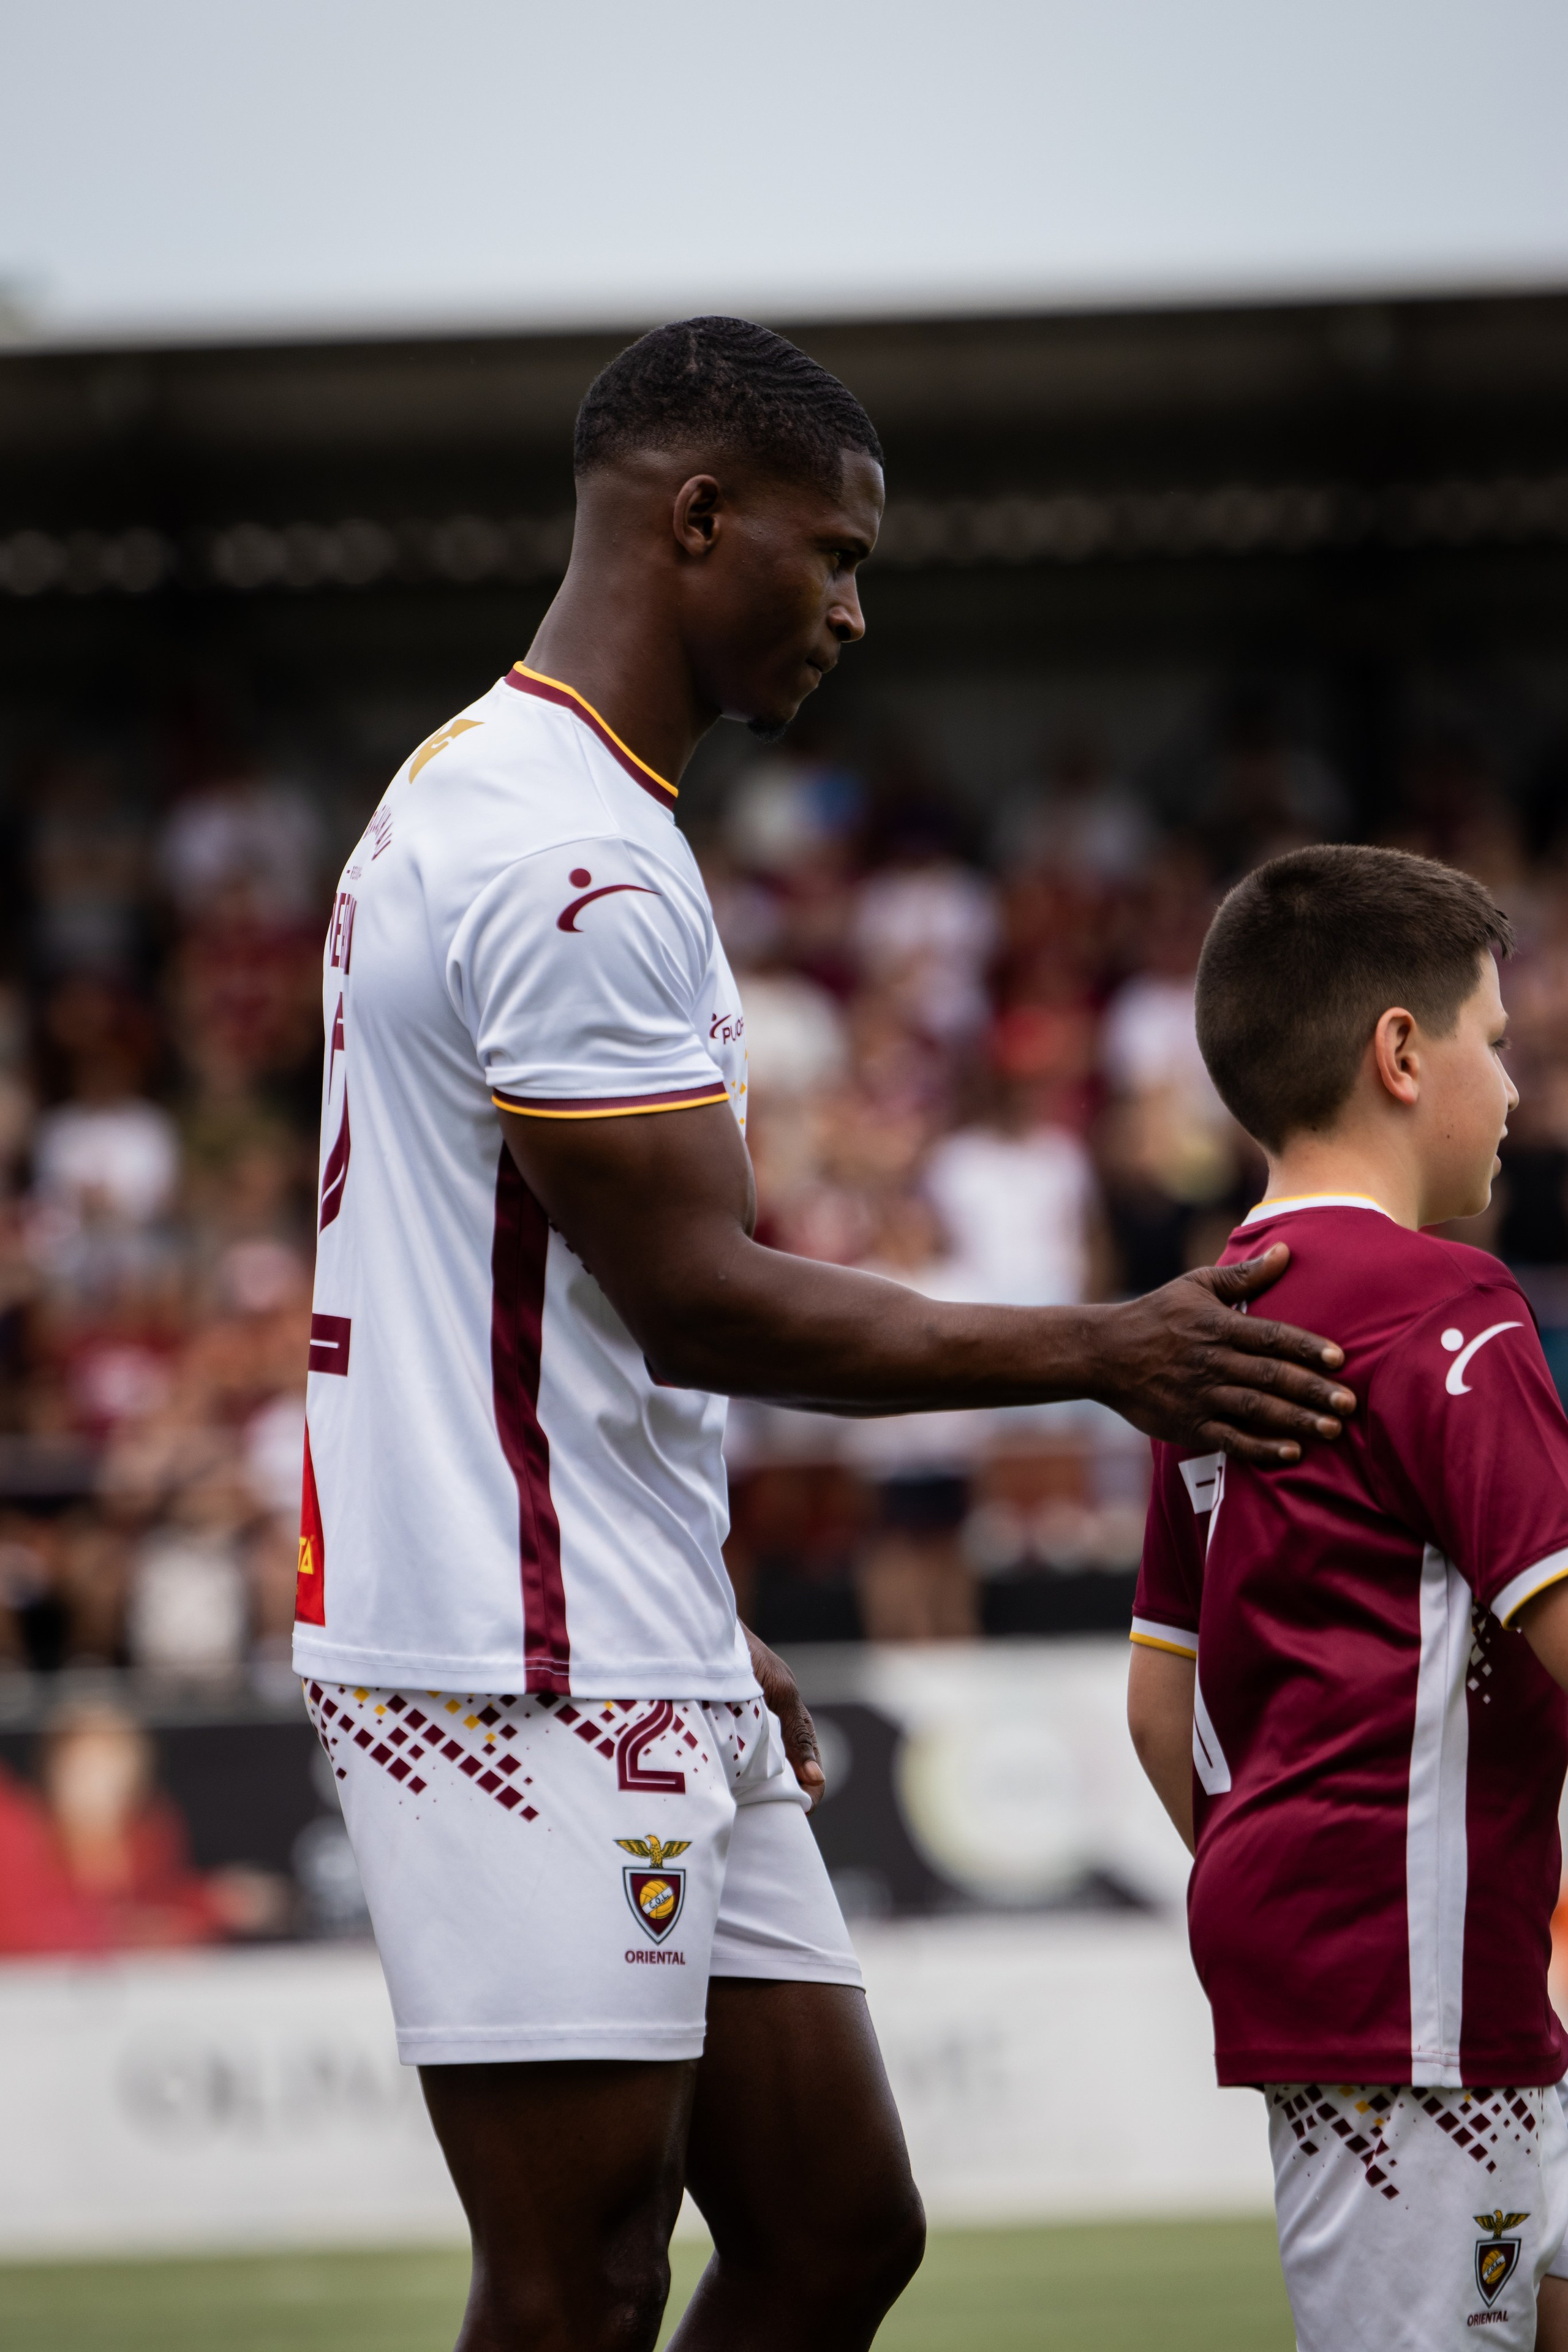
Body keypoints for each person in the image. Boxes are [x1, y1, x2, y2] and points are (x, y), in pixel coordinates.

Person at [295, 317, 1355, 2352]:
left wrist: (687, 1588)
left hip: (617, 1610)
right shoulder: (570, 851)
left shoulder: (502, 789)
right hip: (514, 1649)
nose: (856, 609)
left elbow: (535, 1286)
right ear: (698, 519)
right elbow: (696, 1300)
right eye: (833, 553)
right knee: (580, 2277)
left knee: (837, 2231)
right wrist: (1106, 1347)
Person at [1127, 843, 1568, 2352]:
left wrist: (1282, 1855)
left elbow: (1156, 1698)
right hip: (1420, 1995)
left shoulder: (1209, 1313)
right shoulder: (1443, 1303)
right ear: (1399, 1053)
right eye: (1493, 1046)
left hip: (1383, 1970)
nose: (1512, 1092)